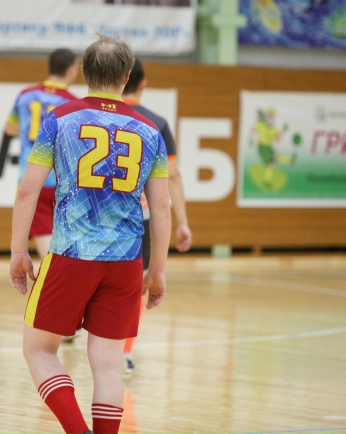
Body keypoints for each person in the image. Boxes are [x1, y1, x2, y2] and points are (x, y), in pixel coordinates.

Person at [9, 33, 172, 434]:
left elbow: (28, 189)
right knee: (108, 365)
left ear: (83, 71)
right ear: (127, 76)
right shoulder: (150, 131)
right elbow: (161, 207)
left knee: (39, 351)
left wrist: (18, 252)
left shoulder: (60, 118)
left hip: (71, 255)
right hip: (126, 262)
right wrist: (157, 270)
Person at [121, 57, 193, 374]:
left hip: (95, 214)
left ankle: (81, 330)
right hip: (139, 216)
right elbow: (172, 175)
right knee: (135, 282)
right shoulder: (157, 123)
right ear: (143, 85)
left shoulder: (93, 116)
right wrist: (183, 223)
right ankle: (123, 350)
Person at [4, 48, 79, 258]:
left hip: (31, 175)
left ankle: (54, 275)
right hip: (61, 178)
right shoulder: (74, 103)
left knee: (44, 236)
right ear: (71, 70)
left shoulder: (25, 95)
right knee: (61, 236)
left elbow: (9, 128)